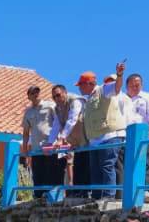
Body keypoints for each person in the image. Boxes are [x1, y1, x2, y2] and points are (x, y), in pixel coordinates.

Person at [77, 64, 126, 199]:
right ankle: (97, 196)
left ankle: (109, 196)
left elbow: (116, 87)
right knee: (95, 169)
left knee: (107, 165)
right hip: (95, 139)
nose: (79, 88)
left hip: (109, 135)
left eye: (80, 85)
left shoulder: (103, 90)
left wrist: (120, 75)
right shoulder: (88, 99)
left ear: (88, 83)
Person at [47, 84, 86, 193]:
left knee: (86, 167)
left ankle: (87, 194)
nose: (56, 99)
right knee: (78, 167)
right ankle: (78, 194)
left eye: (58, 95)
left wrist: (61, 138)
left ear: (65, 93)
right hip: (75, 143)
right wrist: (50, 143)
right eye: (53, 97)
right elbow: (56, 126)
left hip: (87, 140)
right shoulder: (57, 108)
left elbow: (72, 120)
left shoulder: (75, 101)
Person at [20, 86, 57, 191]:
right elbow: (26, 132)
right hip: (36, 149)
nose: (36, 94)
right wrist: (25, 148)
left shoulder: (50, 106)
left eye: (37, 92)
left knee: (50, 175)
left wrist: (60, 139)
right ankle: (38, 199)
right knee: (37, 176)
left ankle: (51, 200)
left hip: (50, 147)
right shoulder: (28, 112)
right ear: (28, 97)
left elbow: (59, 123)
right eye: (32, 93)